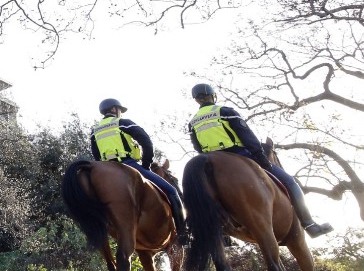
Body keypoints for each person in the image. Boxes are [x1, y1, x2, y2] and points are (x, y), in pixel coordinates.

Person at [188, 83, 333, 238]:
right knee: (290, 182)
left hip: (209, 162)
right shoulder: (224, 111)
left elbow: (197, 147)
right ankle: (310, 224)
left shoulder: (193, 122)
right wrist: (261, 158)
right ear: (212, 95)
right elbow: (247, 136)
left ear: (196, 100)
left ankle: (213, 232)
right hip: (239, 153)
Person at [90, 98, 189, 245]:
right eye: (119, 110)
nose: (120, 113)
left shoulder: (94, 130)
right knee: (172, 191)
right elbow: (146, 141)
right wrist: (146, 164)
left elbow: (96, 155)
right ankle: (183, 235)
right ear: (114, 110)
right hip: (128, 164)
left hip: (106, 169)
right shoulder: (123, 123)